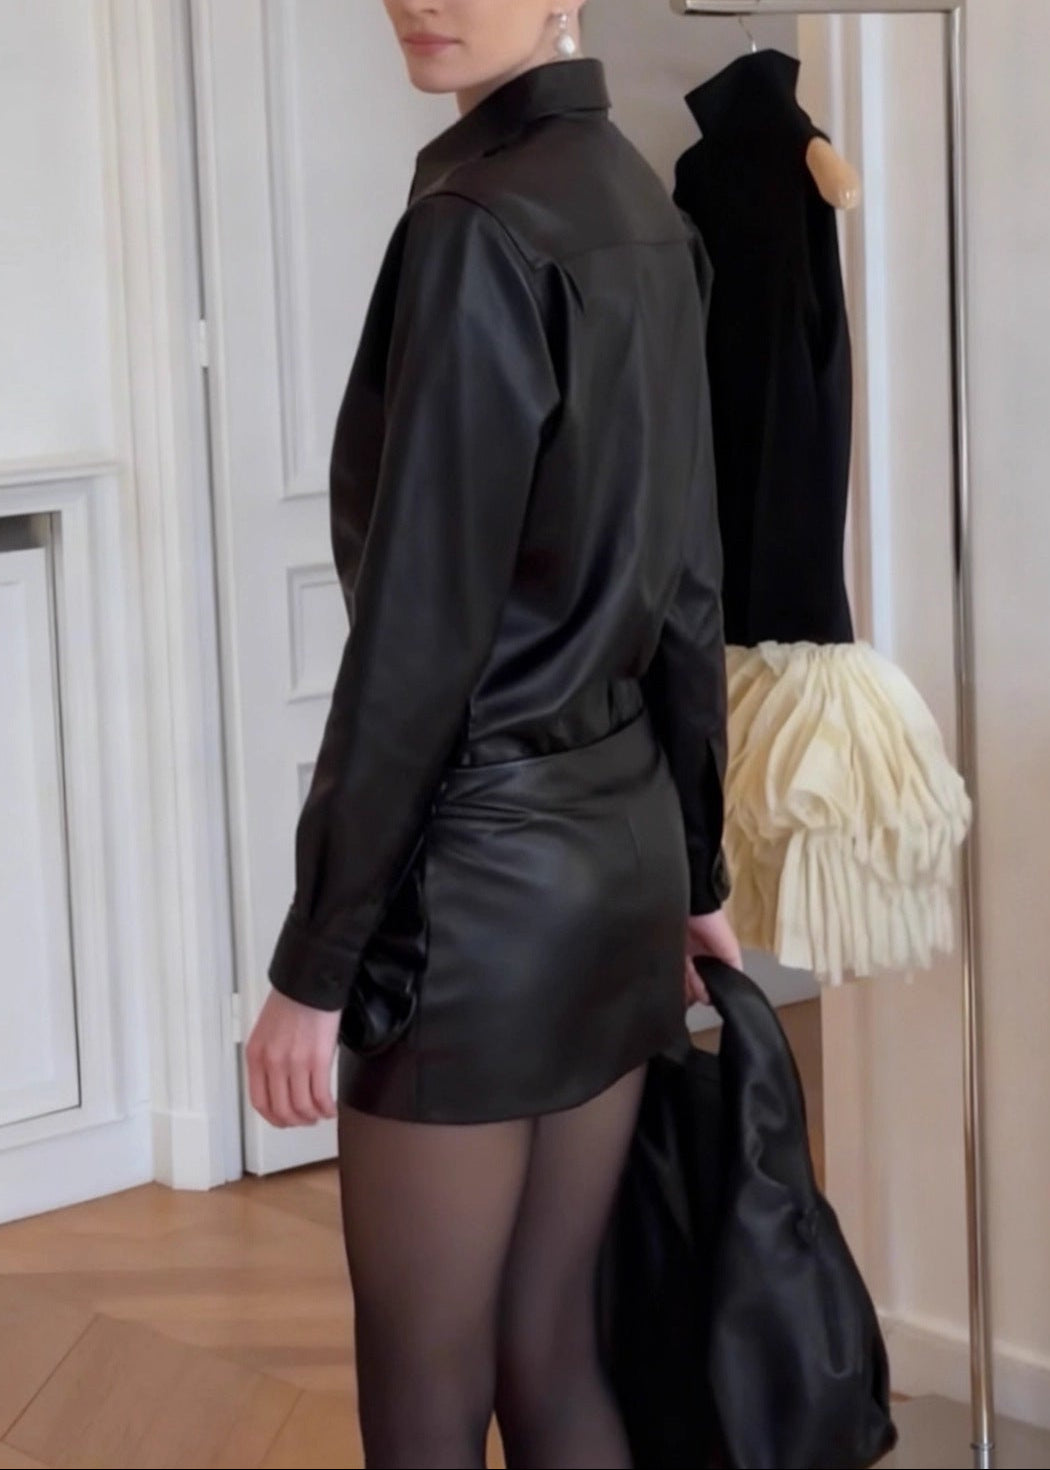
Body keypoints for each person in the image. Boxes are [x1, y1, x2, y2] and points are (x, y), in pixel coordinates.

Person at [246, 3, 741, 1466]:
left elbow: (419, 641)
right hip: (615, 861)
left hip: (473, 904)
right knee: (554, 1344)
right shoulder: (642, 206)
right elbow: (690, 583)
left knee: (425, 1391)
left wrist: (314, 963)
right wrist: (693, 865)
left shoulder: (478, 225)